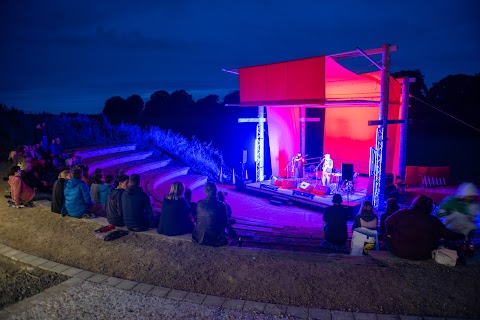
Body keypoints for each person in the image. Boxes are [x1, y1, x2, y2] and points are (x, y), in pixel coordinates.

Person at [386, 194, 465, 260]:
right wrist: (462, 236)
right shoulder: (433, 221)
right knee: (442, 243)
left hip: (399, 251)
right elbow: (447, 234)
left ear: (415, 203)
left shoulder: (403, 213)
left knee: (386, 240)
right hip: (423, 254)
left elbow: (388, 221)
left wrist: (389, 234)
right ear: (429, 207)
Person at [436, 182, 479, 255]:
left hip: (465, 228)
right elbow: (440, 213)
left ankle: (466, 250)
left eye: (472, 196)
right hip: (451, 227)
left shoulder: (472, 204)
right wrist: (449, 216)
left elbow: (474, 215)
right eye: (469, 196)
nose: (471, 198)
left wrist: (471, 218)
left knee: (469, 236)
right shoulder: (450, 201)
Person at [192, 182, 228, 247]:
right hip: (215, 238)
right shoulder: (221, 205)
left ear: (205, 191)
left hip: (199, 236)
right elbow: (225, 222)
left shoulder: (199, 203)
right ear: (215, 191)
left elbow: (197, 218)